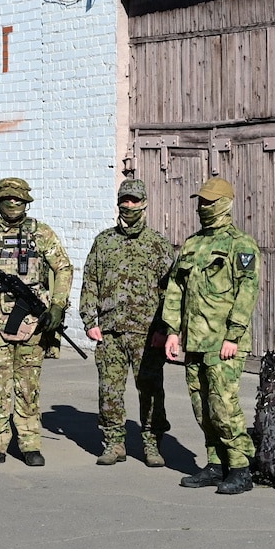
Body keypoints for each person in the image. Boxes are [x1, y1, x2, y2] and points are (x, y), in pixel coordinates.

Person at [163, 178, 260, 495]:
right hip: (195, 342)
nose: (203, 207)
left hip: (223, 343)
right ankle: (216, 464)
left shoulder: (240, 245)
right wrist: (172, 332)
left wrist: (234, 335)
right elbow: (175, 289)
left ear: (225, 203)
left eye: (209, 201)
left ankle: (241, 468)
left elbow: (247, 291)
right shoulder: (192, 244)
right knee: (202, 408)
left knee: (223, 407)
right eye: (200, 201)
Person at [0, 177, 72, 467]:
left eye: (18, 199)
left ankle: (29, 444)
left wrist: (57, 305)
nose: (13, 203)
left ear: (26, 202)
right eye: (7, 198)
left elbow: (64, 268)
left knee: (28, 387)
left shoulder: (41, 233)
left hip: (32, 323)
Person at [79, 178, 174, 466]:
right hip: (111, 331)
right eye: (125, 200)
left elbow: (170, 291)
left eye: (134, 200)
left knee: (151, 390)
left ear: (144, 204)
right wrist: (89, 320)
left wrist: (165, 329)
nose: (129, 206)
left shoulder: (157, 243)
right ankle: (114, 443)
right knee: (109, 391)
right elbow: (90, 281)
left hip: (147, 334)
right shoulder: (104, 242)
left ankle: (152, 444)